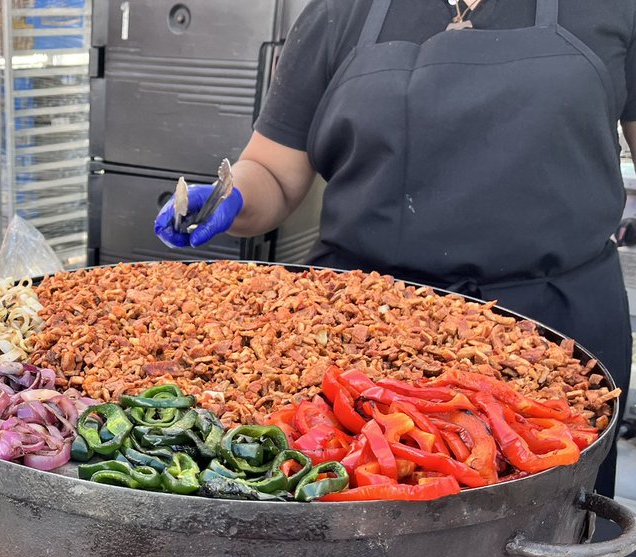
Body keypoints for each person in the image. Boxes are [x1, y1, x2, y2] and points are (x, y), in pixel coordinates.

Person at [154, 0, 636, 496]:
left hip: (553, 339)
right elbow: (274, 172)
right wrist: (230, 196)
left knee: (547, 531)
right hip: (359, 339)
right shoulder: (340, 12)